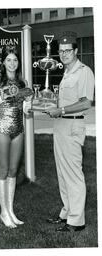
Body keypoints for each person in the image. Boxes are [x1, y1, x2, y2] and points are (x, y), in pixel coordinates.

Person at [46, 31, 95, 232]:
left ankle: (77, 221)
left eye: (68, 51)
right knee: (62, 173)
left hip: (72, 124)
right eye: (61, 51)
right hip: (61, 125)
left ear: (75, 51)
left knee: (73, 174)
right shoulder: (67, 71)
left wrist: (62, 110)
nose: (65, 54)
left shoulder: (84, 71)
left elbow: (86, 102)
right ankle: (66, 213)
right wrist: (46, 103)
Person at [0, 45, 32, 228]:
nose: (12, 63)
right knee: (2, 171)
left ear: (19, 62)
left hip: (18, 130)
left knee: (13, 171)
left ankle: (10, 210)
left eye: (15, 60)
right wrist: (0, 98)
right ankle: (3, 212)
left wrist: (29, 103)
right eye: (9, 59)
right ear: (3, 61)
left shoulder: (23, 82)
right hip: (2, 129)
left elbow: (25, 111)